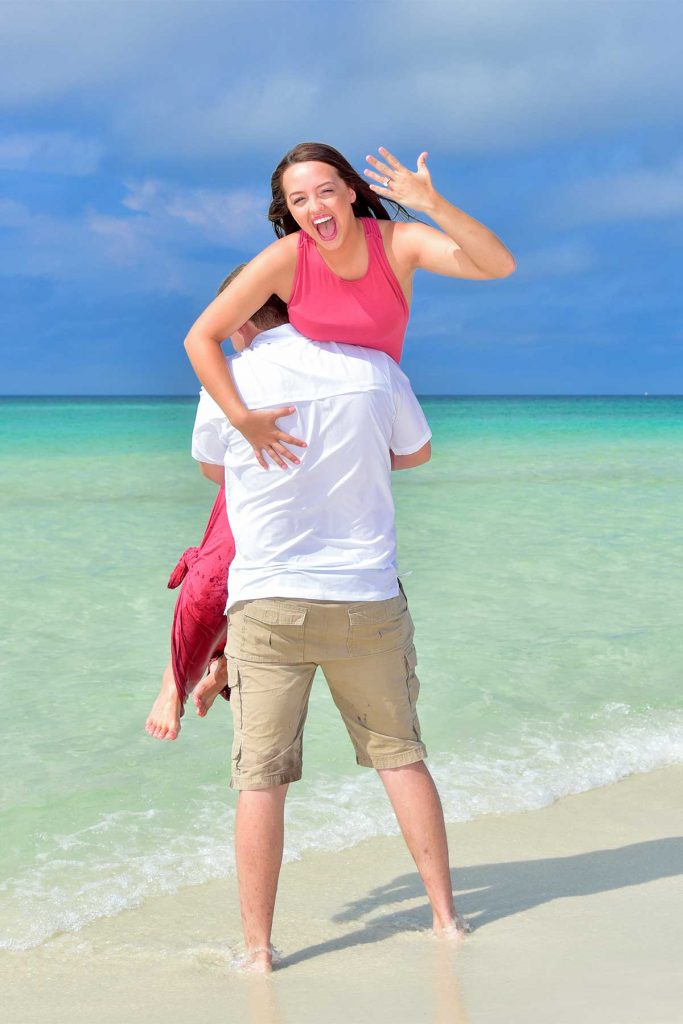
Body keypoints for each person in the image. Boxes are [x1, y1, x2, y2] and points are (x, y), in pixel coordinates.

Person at [191, 263, 471, 973]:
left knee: (261, 777)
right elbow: (415, 452)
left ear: (248, 313)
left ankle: (257, 950)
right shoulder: (374, 366)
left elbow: (212, 470)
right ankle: (445, 919)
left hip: (268, 601)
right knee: (400, 757)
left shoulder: (233, 381)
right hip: (365, 594)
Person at [183, 141, 514, 467]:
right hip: (307, 427)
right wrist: (242, 420)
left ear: (350, 192)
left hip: (371, 415)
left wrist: (433, 204)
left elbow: (498, 266)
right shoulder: (284, 259)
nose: (315, 207)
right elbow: (200, 338)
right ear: (291, 210)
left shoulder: (399, 243)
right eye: (299, 200)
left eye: (326, 191)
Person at [144, 277, 288, 741]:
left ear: (239, 318)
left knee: (213, 582)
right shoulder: (335, 360)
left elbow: (213, 468)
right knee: (252, 584)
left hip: (257, 494)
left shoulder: (232, 375)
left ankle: (177, 682)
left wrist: (254, 468)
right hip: (304, 503)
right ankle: (217, 668)